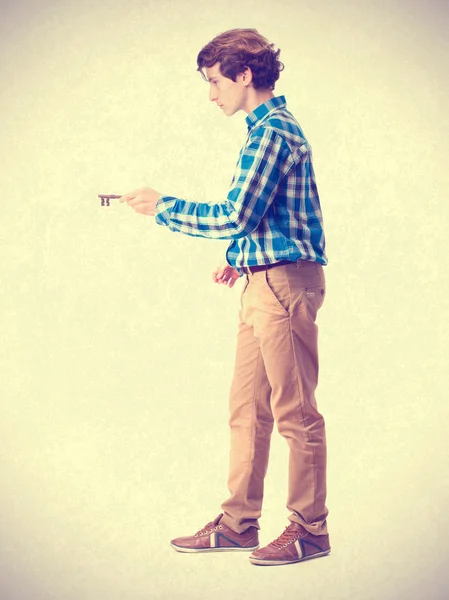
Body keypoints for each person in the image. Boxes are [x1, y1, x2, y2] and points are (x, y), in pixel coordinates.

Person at [119, 28, 330, 567]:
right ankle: (239, 524)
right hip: (264, 281)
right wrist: (241, 257)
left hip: (284, 286)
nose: (211, 94)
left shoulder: (272, 134)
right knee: (246, 411)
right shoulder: (264, 131)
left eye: (215, 81)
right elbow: (265, 218)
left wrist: (163, 206)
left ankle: (310, 530)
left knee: (294, 413)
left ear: (244, 76)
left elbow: (236, 213)